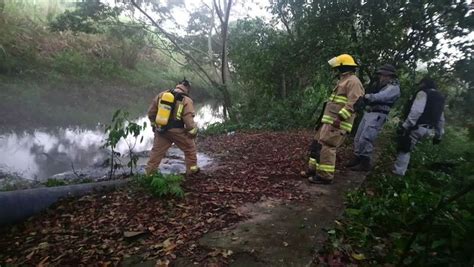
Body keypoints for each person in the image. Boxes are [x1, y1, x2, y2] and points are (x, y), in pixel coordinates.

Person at [302, 54, 365, 184]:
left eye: (337, 68)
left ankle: (325, 176)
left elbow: (354, 103)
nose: (335, 70)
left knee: (327, 146)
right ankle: (313, 169)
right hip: (330, 121)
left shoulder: (353, 82)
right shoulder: (343, 80)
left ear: (343, 67)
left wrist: (340, 118)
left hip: (338, 122)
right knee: (317, 144)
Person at [347, 64, 401, 171]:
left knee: (366, 137)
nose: (382, 77)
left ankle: (365, 161)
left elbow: (382, 96)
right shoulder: (378, 85)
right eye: (381, 75)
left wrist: (367, 97)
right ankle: (357, 157)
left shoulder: (394, 88)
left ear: (390, 76)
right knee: (358, 137)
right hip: (369, 112)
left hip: (378, 114)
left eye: (384, 75)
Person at [145, 79, 200, 176]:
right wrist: (193, 132)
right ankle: (192, 172)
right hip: (177, 131)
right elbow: (188, 121)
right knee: (190, 149)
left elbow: (151, 113)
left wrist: (154, 125)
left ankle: (150, 175)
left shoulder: (162, 95)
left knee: (156, 153)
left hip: (161, 130)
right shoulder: (186, 100)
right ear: (187, 88)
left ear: (177, 85)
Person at [393, 77, 445, 176]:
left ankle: (398, 173)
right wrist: (439, 135)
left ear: (424, 84)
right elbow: (441, 118)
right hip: (429, 130)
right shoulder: (440, 98)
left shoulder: (423, 93)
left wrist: (406, 125)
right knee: (410, 148)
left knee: (404, 149)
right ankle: (408, 169)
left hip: (417, 127)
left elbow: (416, 111)